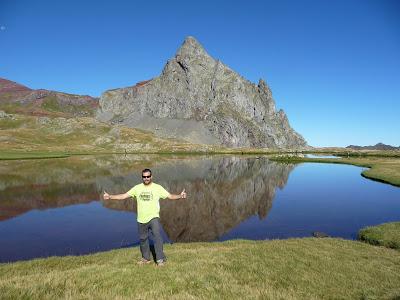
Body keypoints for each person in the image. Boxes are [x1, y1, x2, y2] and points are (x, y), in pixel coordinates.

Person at [103, 168, 186, 267]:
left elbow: (170, 196)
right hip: (141, 218)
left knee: (157, 237)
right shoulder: (137, 188)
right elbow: (124, 196)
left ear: (151, 177)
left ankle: (160, 260)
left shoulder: (157, 188)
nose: (146, 178)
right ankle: (146, 259)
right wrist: (110, 196)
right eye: (144, 177)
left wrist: (180, 196)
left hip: (153, 217)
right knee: (143, 239)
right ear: (142, 177)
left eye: (148, 176)